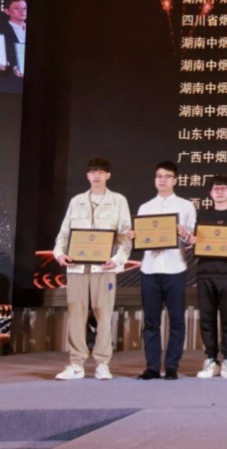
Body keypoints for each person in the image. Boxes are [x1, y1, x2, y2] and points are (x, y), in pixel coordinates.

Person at [52, 158, 132, 380]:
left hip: (104, 269)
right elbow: (63, 235)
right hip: (76, 268)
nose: (97, 175)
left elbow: (125, 237)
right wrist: (60, 254)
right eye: (93, 172)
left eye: (101, 172)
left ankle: (102, 363)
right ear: (87, 175)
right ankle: (76, 363)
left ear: (108, 175)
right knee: (76, 314)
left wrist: (117, 259)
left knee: (103, 314)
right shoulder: (76, 201)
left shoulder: (118, 201)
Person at [130, 161, 197, 381]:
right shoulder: (145, 207)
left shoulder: (186, 206)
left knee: (177, 321)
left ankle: (171, 367)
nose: (162, 180)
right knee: (151, 322)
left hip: (175, 268)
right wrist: (135, 237)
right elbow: (141, 237)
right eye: (159, 176)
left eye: (167, 176)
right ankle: (151, 367)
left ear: (175, 180)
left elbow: (192, 239)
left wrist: (186, 235)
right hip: (149, 269)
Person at [193, 175, 227, 380]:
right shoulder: (202, 215)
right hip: (205, 272)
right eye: (216, 189)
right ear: (210, 193)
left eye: (224, 189)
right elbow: (195, 241)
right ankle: (211, 359)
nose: (220, 192)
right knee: (207, 318)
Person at [0, 0, 26, 90]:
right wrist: (14, 68)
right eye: (17, 8)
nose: (22, 11)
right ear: (7, 11)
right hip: (9, 84)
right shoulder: (2, 30)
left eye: (25, 8)